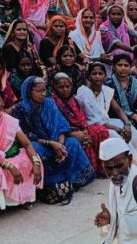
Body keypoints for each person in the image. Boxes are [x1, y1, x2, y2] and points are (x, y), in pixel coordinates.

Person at [13, 76, 95, 204]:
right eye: (38, 91)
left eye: (44, 90)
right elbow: (26, 134)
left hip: (56, 140)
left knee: (72, 143)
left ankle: (72, 180)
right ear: (29, 91)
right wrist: (51, 144)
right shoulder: (21, 108)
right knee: (35, 148)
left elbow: (61, 125)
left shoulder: (49, 103)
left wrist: (60, 145)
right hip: (38, 142)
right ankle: (49, 183)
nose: (42, 94)